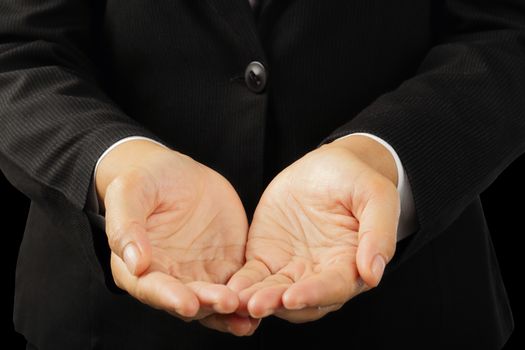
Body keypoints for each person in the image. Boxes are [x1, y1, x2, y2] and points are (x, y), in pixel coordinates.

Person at [1, 0, 523, 349]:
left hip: (414, 316)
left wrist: (382, 156)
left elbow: (506, 33)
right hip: (103, 327)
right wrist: (116, 163)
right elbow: (15, 49)